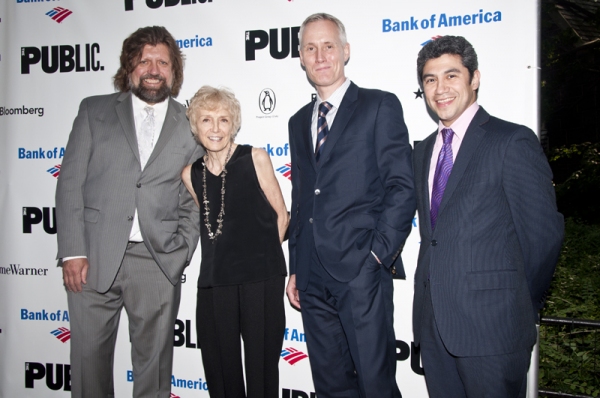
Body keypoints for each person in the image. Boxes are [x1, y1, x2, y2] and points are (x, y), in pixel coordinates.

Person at [412, 35, 564, 398]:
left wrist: (520, 304)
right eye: (430, 79)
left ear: (474, 78)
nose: (440, 89)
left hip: (494, 330)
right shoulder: (423, 152)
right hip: (434, 328)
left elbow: (543, 237)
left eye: (451, 76)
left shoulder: (510, 141)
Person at [56, 26, 203, 398]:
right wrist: (73, 250)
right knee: (89, 368)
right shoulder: (94, 110)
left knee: (153, 373)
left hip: (156, 262)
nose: (154, 69)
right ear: (130, 67)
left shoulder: (190, 122)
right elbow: (70, 182)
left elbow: (193, 197)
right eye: (145, 61)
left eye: (163, 62)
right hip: (92, 258)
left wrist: (181, 251)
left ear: (174, 71)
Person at [286, 13, 416, 398]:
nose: (320, 55)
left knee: (376, 386)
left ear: (345, 51)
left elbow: (401, 185)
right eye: (311, 48)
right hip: (311, 277)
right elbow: (302, 197)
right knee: (330, 387)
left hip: (361, 272)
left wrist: (377, 255)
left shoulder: (379, 106)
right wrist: (296, 268)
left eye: (328, 46)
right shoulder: (297, 122)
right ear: (301, 57)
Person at [181, 86, 288, 398]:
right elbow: (214, 225)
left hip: (260, 281)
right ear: (195, 125)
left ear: (234, 124)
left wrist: (259, 258)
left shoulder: (255, 158)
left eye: (223, 120)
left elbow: (282, 216)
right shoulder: (190, 174)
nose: (215, 128)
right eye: (206, 120)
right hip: (215, 284)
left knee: (262, 371)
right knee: (220, 372)